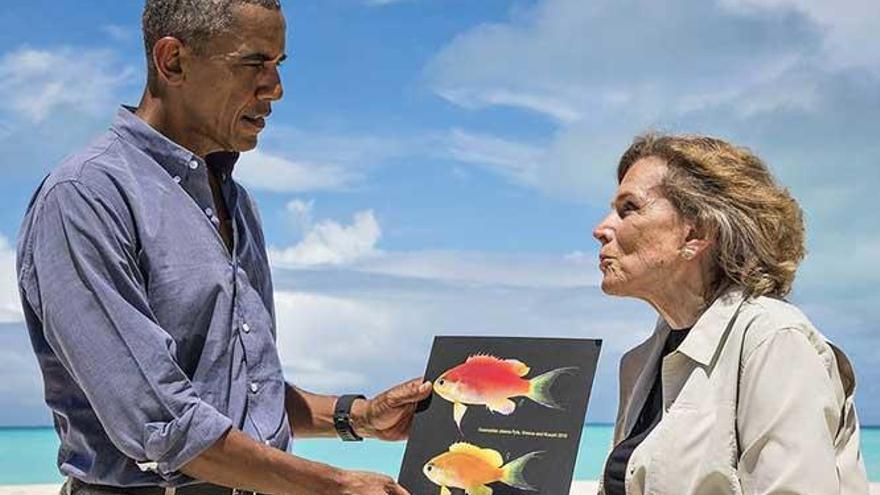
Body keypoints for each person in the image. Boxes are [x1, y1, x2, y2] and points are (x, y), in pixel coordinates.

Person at [15, 1, 429, 494]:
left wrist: (358, 417)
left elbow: (241, 396)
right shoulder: (85, 196)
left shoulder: (236, 201)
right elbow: (162, 423)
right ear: (173, 62)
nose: (275, 90)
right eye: (254, 64)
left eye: (278, 66)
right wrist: (335, 484)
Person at [592, 133, 869, 494]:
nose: (601, 229)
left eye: (629, 208)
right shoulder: (640, 363)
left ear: (696, 233)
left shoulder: (774, 340)